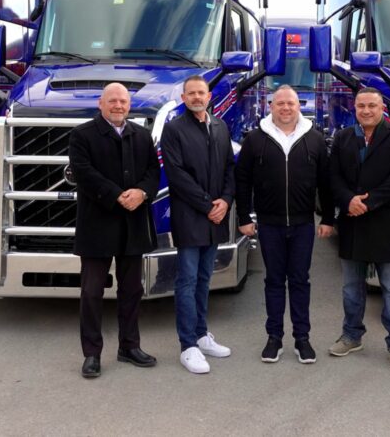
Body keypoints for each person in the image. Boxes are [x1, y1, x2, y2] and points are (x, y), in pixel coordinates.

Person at [236, 85, 335, 364]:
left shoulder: (314, 139)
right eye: (280, 103)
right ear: (271, 106)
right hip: (269, 225)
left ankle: (302, 339)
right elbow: (242, 181)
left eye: (290, 103)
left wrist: (328, 218)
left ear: (298, 106)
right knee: (274, 281)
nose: (285, 108)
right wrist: (244, 218)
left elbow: (325, 184)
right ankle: (274, 338)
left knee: (301, 281)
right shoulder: (255, 139)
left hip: (303, 224)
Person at [68, 82, 160, 379]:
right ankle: (92, 354)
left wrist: (143, 193)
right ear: (101, 103)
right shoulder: (82, 135)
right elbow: (83, 172)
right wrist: (117, 195)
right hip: (97, 224)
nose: (118, 105)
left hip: (133, 224)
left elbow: (153, 172)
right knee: (92, 291)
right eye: (112, 101)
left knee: (131, 290)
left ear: (129, 105)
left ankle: (129, 346)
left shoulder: (142, 136)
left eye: (123, 101)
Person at [327, 87, 390, 369]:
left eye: (372, 106)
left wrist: (369, 201)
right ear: (355, 108)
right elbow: (333, 176)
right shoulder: (342, 137)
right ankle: (352, 336)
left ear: (381, 109)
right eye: (361, 106)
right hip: (352, 222)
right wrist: (348, 200)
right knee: (352, 287)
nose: (366, 111)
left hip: (384, 221)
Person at [160, 76, 235, 374]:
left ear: (209, 95)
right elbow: (176, 175)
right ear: (183, 96)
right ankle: (187, 345)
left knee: (205, 279)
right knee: (187, 281)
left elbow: (230, 167)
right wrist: (208, 205)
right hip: (191, 217)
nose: (196, 97)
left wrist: (225, 201)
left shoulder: (219, 126)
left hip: (215, 216)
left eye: (200, 93)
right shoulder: (174, 129)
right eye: (190, 93)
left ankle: (202, 335)